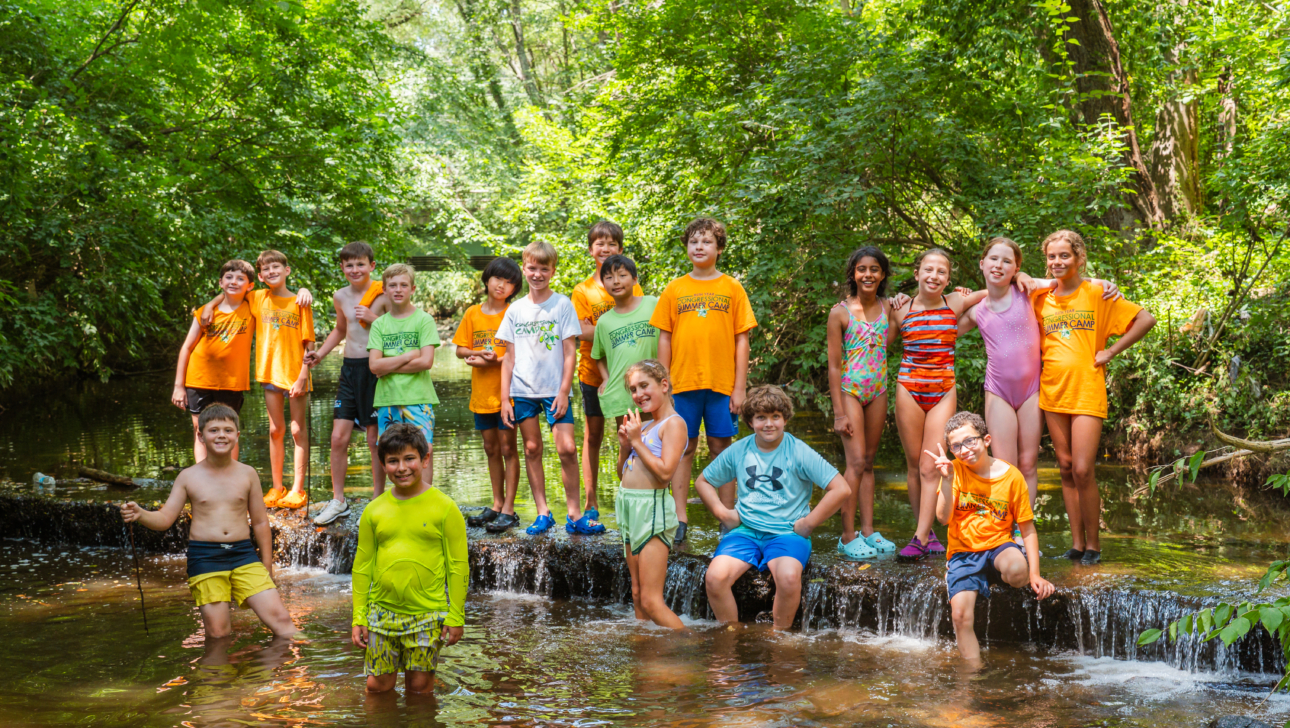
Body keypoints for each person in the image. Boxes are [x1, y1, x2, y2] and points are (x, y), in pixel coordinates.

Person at [958, 238, 1121, 519]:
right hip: (998, 391)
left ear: (1016, 268)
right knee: (1005, 465)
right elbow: (944, 329)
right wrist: (960, 297)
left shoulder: (1027, 291)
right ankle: (1005, 528)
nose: (999, 265)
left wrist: (1103, 282)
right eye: (993, 259)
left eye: (1007, 261)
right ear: (982, 264)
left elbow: (1066, 281)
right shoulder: (977, 310)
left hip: (1032, 391)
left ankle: (1023, 528)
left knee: (1028, 463)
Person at [120, 404, 297, 640]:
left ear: (237, 436)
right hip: (205, 557)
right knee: (219, 634)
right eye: (214, 430)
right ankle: (220, 667)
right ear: (201, 436)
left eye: (227, 430)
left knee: (283, 622)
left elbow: (260, 523)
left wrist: (267, 566)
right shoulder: (188, 477)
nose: (221, 435)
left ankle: (296, 660)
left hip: (243, 555)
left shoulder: (248, 474)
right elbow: (164, 519)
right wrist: (141, 514)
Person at [1034, 230, 1155, 565]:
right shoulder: (1040, 298)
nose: (1057, 262)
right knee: (1065, 468)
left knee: (1084, 469)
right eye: (1051, 256)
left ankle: (1094, 546)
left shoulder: (1097, 293)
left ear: (1079, 258)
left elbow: (1145, 319)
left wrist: (1111, 351)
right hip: (1052, 391)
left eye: (1064, 255)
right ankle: (1076, 544)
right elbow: (1009, 285)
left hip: (1087, 390)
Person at [699, 385, 849, 630]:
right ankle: (731, 635)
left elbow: (841, 488)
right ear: (750, 421)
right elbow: (703, 481)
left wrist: (808, 523)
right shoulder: (740, 450)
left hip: (786, 533)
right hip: (746, 531)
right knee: (715, 578)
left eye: (775, 417)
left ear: (785, 419)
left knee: (788, 578)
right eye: (761, 418)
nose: (769, 424)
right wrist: (723, 513)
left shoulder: (798, 451)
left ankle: (779, 638)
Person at [650, 217, 758, 544]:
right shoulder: (675, 288)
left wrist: (739, 387)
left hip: (721, 385)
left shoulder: (732, 288)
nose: (699, 246)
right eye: (694, 241)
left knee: (721, 448)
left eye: (707, 241)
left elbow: (742, 340)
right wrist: (663, 385)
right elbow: (665, 338)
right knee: (683, 448)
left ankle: (727, 516)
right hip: (682, 384)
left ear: (719, 248)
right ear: (687, 247)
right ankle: (679, 517)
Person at [929, 411, 1055, 663]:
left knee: (1017, 571)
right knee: (960, 617)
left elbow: (1027, 529)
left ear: (986, 440)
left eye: (969, 441)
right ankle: (971, 675)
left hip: (999, 546)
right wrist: (947, 480)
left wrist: (1035, 574)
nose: (964, 450)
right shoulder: (954, 470)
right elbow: (942, 518)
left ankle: (1000, 568)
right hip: (963, 553)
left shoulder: (1012, 476)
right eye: (956, 446)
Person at [497, 241, 605, 535]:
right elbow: (508, 358)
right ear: (524, 269)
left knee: (567, 449)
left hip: (555, 391)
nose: (537, 274)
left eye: (544, 269)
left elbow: (570, 352)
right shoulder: (515, 310)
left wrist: (563, 390)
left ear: (553, 271)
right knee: (532, 448)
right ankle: (542, 512)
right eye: (532, 268)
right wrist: (505, 399)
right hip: (523, 391)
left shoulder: (561, 305)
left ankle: (574, 514)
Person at [351, 423, 467, 695]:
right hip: (381, 613)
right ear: (383, 465)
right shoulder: (374, 511)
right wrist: (359, 616)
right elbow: (362, 566)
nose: (402, 468)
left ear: (425, 459)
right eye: (393, 461)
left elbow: (458, 565)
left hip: (428, 614)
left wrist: (456, 615)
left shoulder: (445, 508)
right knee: (377, 686)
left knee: (420, 688)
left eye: (409, 458)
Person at [890, 249, 988, 561]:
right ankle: (927, 533)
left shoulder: (955, 302)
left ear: (948, 279)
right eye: (928, 270)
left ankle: (919, 537)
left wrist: (1025, 279)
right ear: (917, 273)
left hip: (943, 390)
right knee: (913, 465)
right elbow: (878, 338)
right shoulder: (900, 308)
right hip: (908, 388)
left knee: (930, 463)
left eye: (941, 272)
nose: (934, 276)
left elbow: (996, 291)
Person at [309, 241, 391, 525]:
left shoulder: (383, 293)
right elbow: (340, 330)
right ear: (342, 268)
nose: (355, 269)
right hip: (349, 370)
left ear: (372, 266)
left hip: (374, 370)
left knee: (373, 440)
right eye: (349, 265)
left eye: (360, 264)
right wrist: (320, 354)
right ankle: (339, 500)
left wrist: (374, 318)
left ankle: (378, 499)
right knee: (337, 438)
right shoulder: (340, 296)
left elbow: (399, 328)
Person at [827, 246, 897, 560]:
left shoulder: (889, 307)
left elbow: (891, 339)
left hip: (878, 390)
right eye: (862, 269)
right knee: (855, 464)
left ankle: (868, 531)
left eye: (874, 269)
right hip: (850, 391)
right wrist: (838, 413)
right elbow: (834, 366)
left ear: (882, 275)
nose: (868, 274)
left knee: (869, 462)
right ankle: (847, 536)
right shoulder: (840, 312)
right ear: (853, 274)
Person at [571, 221, 644, 520]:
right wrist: (614, 325)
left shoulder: (630, 281)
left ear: (620, 249)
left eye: (612, 243)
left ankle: (633, 492)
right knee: (593, 436)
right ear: (591, 250)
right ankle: (591, 502)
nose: (605, 248)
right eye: (599, 244)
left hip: (629, 376)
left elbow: (639, 319)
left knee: (629, 435)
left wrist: (606, 327)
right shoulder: (583, 290)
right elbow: (579, 330)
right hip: (593, 374)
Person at [453, 257, 524, 532]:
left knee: (508, 449)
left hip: (508, 395)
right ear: (487, 279)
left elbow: (518, 354)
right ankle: (496, 504)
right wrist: (478, 354)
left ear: (515, 288)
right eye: (497, 279)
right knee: (490, 448)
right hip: (481, 396)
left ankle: (509, 508)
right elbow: (460, 349)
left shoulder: (514, 313)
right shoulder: (473, 313)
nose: (501, 285)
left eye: (509, 282)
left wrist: (491, 361)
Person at [615, 360, 688, 629]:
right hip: (629, 509)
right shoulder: (644, 426)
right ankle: (645, 648)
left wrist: (636, 441)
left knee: (650, 600)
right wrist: (625, 447)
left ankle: (692, 644)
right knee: (636, 594)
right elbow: (623, 473)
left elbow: (665, 473)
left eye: (644, 385)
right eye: (633, 389)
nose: (638, 394)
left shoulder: (674, 424)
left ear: (664, 385)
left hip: (652, 511)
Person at [172, 259, 256, 462]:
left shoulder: (253, 308)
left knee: (229, 428)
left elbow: (276, 296)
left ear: (250, 285)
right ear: (220, 282)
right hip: (199, 378)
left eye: (240, 279)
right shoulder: (205, 312)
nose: (233, 282)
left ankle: (230, 474)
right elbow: (187, 347)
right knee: (200, 428)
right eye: (229, 277)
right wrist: (178, 386)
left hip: (232, 381)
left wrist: (303, 291)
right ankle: (203, 475)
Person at [368, 264, 440, 486]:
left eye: (403, 285)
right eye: (392, 285)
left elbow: (426, 362)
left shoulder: (424, 320)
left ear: (413, 289)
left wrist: (386, 366)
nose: (398, 290)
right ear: (384, 289)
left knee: (424, 450)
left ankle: (425, 499)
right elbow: (374, 366)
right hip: (387, 400)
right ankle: (400, 498)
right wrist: (409, 356)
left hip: (418, 398)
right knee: (391, 451)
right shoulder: (379, 324)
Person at [591, 254, 660, 428]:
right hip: (622, 394)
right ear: (603, 284)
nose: (616, 281)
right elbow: (599, 355)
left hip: (655, 387)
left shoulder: (652, 304)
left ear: (635, 279)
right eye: (609, 278)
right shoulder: (604, 322)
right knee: (628, 440)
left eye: (622, 276)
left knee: (658, 437)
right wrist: (606, 378)